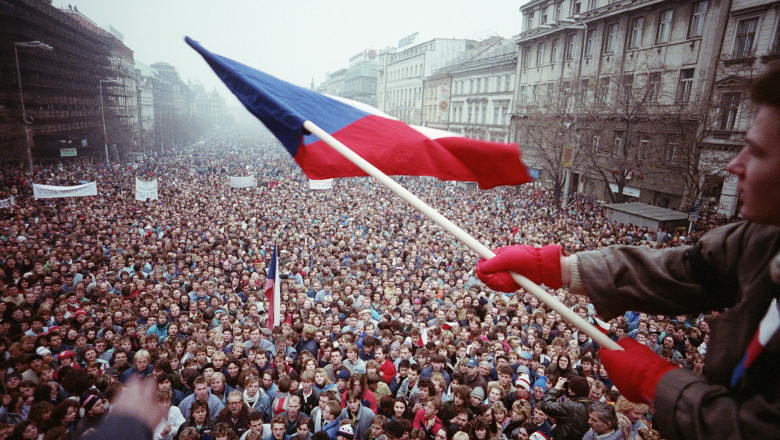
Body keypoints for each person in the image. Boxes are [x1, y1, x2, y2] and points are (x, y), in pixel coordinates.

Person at [474, 62, 780, 440]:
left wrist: (662, 385)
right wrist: (558, 268)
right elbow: (689, 268)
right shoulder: (765, 237)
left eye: (757, 151)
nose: (735, 164)